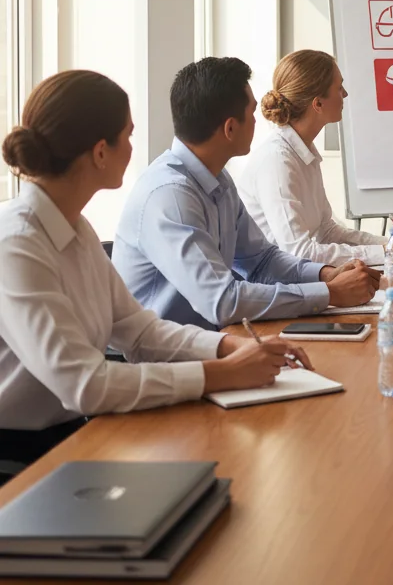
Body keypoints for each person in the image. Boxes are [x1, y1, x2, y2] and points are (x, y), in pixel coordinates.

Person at [0, 71, 311, 467]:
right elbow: (86, 385)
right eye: (128, 136)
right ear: (100, 152)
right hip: (18, 459)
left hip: (75, 432)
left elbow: (139, 331)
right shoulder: (17, 244)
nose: (134, 147)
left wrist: (230, 347)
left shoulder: (75, 227)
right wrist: (221, 373)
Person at [113, 57, 380, 330]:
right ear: (230, 128)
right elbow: (222, 301)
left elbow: (262, 261)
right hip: (162, 358)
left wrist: (326, 275)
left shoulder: (218, 179)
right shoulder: (171, 196)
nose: (258, 121)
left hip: (207, 339)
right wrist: (330, 293)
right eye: (252, 114)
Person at [238, 49, 393, 265]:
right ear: (318, 104)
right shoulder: (277, 161)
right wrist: (386, 251)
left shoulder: (303, 151)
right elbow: (299, 252)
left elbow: (327, 231)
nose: (345, 94)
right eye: (339, 87)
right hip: (273, 285)